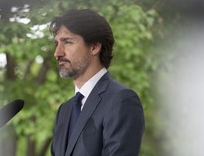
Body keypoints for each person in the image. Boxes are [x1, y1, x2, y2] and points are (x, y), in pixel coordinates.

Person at [50, 9, 145, 156]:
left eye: (67, 42)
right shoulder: (64, 110)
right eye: (56, 43)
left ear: (94, 47)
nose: (57, 52)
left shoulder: (122, 100)